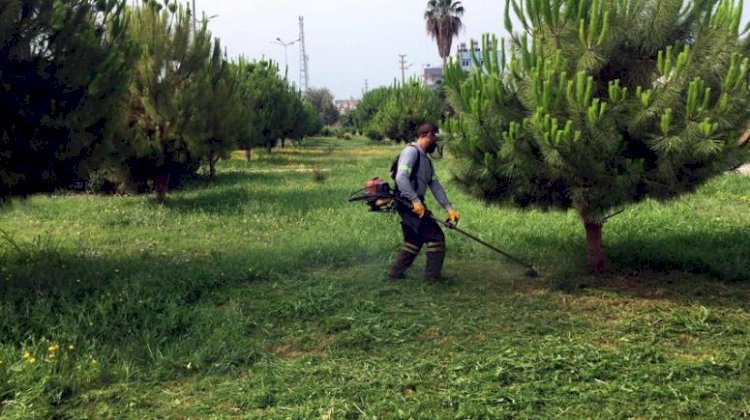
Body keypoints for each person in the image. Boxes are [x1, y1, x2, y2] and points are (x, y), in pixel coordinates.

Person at [388, 123, 460, 282]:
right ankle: (432, 279)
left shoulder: (425, 160)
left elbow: (435, 185)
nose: (436, 142)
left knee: (414, 240)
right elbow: (401, 178)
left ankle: (394, 274)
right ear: (428, 135)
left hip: (415, 203)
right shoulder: (411, 152)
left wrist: (449, 208)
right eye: (435, 138)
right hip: (407, 202)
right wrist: (414, 201)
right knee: (435, 236)